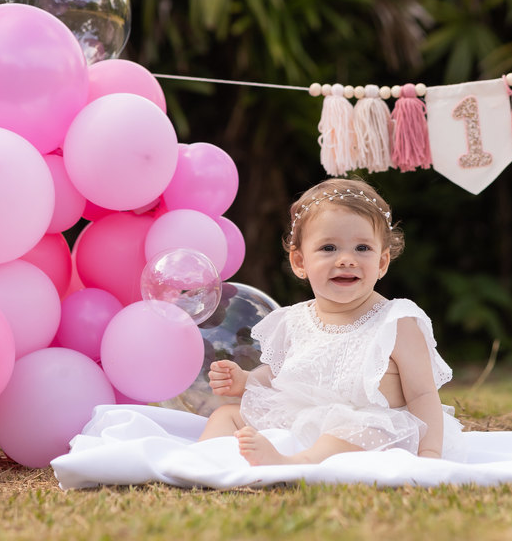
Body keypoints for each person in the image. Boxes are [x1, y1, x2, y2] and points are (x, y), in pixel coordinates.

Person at [197, 177, 464, 465]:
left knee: (354, 433)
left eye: (362, 248)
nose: (347, 259)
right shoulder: (295, 319)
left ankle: (294, 464)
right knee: (228, 415)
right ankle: (206, 460)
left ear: (382, 262)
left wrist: (430, 455)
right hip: (305, 416)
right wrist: (247, 381)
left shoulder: (396, 322)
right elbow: (281, 374)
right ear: (300, 263)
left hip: (371, 430)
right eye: (329, 248)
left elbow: (423, 394)